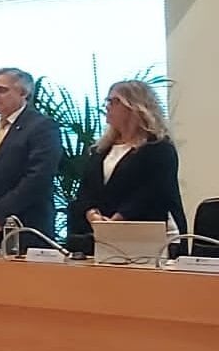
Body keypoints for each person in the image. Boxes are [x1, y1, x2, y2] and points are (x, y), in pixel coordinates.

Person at [69, 80, 184, 255]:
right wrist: (92, 214)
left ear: (135, 107)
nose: (107, 107)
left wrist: (119, 219)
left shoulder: (158, 148)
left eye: (114, 101)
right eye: (107, 101)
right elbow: (86, 189)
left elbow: (154, 192)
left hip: (144, 234)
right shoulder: (100, 150)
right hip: (101, 236)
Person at [0, 67, 60, 246]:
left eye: (1, 90)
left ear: (24, 92)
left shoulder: (42, 127)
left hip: (27, 228)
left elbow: (37, 178)